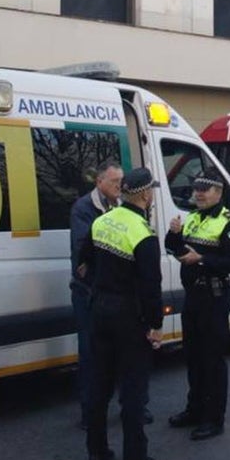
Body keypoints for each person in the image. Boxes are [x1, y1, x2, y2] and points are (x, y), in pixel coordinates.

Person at [79, 168, 166, 460]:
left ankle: (98, 452)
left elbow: (84, 263)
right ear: (144, 194)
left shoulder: (101, 221)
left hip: (100, 310)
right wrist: (155, 324)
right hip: (129, 318)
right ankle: (136, 458)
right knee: (132, 393)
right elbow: (150, 286)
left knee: (99, 386)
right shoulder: (143, 233)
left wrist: (99, 290)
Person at [165, 169, 230, 441]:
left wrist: (201, 260)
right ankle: (194, 409)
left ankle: (213, 419)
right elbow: (175, 248)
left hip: (214, 298)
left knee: (212, 361)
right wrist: (174, 235)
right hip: (194, 299)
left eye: (205, 188)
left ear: (218, 193)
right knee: (193, 358)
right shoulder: (193, 218)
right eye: (196, 187)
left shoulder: (229, 224)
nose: (198, 192)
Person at [71, 161, 136, 431]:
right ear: (99, 182)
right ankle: (90, 415)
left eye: (121, 181)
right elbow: (85, 254)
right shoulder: (83, 208)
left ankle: (130, 410)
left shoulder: (120, 206)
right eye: (113, 182)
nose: (119, 186)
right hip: (88, 293)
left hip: (113, 293)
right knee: (91, 355)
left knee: (123, 354)